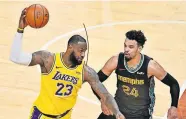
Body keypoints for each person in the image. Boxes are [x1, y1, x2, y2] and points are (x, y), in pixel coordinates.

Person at [9, 8, 125, 119]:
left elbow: (106, 95)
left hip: (65, 116)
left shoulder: (86, 72)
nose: (83, 54)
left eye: (84, 51)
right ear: (70, 47)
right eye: (80, 51)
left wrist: (117, 112)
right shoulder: (48, 60)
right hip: (42, 115)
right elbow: (16, 57)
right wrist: (20, 30)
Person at [93, 30, 180, 119]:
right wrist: (103, 100)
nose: (126, 49)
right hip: (117, 109)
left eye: (131, 47)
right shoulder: (116, 61)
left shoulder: (150, 66)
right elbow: (94, 81)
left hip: (140, 114)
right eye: (125, 46)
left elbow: (173, 84)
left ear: (139, 48)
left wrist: (174, 106)